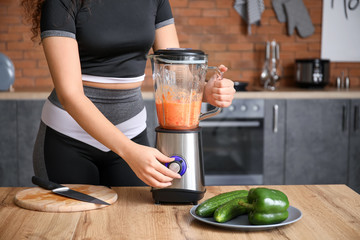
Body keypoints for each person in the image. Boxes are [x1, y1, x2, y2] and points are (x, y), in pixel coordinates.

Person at [21, 0, 235, 188]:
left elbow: (175, 72)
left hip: (132, 134)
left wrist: (204, 90)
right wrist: (129, 151)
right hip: (68, 138)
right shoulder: (61, 1)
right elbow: (70, 94)